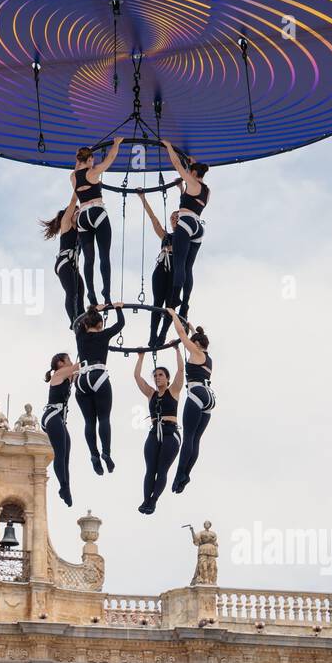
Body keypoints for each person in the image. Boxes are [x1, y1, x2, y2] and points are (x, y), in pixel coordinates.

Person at [71, 137, 124, 307]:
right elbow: (110, 158)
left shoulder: (73, 176)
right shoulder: (93, 173)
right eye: (92, 159)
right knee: (104, 256)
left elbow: (78, 165)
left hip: (82, 217)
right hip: (97, 213)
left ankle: (91, 292)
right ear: (89, 160)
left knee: (89, 259)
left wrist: (86, 154)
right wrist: (116, 144)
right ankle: (106, 294)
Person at [73, 302, 125, 475]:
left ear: (86, 324)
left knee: (89, 421)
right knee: (104, 418)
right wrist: (118, 308)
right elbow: (120, 324)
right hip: (98, 375)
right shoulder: (104, 335)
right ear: (100, 325)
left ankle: (94, 455)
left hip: (81, 378)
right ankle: (106, 453)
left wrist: (95, 309)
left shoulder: (80, 336)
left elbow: (79, 322)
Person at [133, 339, 183, 514]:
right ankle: (146, 500)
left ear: (167, 378)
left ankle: (153, 501)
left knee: (162, 470)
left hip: (171, 433)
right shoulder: (150, 393)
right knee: (150, 470)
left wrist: (177, 349)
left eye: (161, 375)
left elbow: (181, 371)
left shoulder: (174, 390)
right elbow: (137, 377)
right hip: (155, 431)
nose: (157, 377)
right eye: (155, 375)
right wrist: (141, 356)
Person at [167, 312, 215, 494]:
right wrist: (193, 328)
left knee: (188, 437)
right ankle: (185, 474)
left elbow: (181, 334)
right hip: (209, 397)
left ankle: (180, 474)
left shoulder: (195, 351)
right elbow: (193, 336)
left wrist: (174, 316)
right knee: (196, 439)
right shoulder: (206, 356)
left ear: (196, 344)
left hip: (196, 393)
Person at [161, 138, 210, 317]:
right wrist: (193, 163)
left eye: (190, 170)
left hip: (186, 222)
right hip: (198, 226)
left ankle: (174, 299)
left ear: (194, 173)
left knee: (179, 262)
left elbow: (176, 164)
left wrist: (168, 147)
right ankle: (186, 304)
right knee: (188, 267)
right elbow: (190, 202)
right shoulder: (206, 190)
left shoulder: (192, 180)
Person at [137, 190, 179, 348]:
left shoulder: (185, 236)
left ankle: (163, 333)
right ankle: (152, 334)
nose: (174, 220)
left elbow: (190, 212)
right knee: (157, 303)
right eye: (172, 218)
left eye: (177, 217)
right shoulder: (166, 236)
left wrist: (181, 189)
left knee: (171, 304)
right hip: (162, 267)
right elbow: (153, 219)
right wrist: (143, 198)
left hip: (176, 268)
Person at [41, 352, 81, 506]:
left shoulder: (68, 376)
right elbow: (79, 366)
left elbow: (79, 373)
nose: (71, 362)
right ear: (60, 363)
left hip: (59, 419)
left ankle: (66, 489)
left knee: (66, 457)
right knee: (60, 453)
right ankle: (64, 487)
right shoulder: (58, 374)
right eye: (68, 360)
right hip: (52, 416)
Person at [41, 192, 84, 327]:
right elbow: (73, 201)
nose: (78, 215)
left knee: (81, 292)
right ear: (69, 214)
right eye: (76, 213)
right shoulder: (66, 223)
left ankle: (82, 320)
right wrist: (79, 184)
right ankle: (73, 321)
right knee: (71, 292)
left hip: (73, 266)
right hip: (64, 263)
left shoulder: (81, 231)